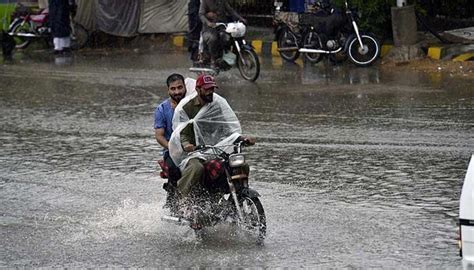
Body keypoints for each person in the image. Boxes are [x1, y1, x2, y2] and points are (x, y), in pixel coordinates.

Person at [168, 74, 255, 211]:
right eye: (207, 89)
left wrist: (241, 138)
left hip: (215, 148)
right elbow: (182, 131)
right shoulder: (186, 107)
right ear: (198, 89)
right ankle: (182, 199)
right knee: (197, 168)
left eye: (212, 89)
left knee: (240, 164)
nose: (210, 92)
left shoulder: (217, 104)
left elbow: (226, 127)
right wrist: (187, 145)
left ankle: (238, 195)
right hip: (193, 152)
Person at [154, 73, 195, 210]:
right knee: (174, 169)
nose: (177, 92)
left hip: (194, 149)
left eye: (179, 87)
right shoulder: (162, 109)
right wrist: (173, 148)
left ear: (185, 87)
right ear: (168, 90)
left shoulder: (192, 104)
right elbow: (159, 136)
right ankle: (173, 199)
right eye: (173, 89)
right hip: (171, 152)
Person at [199, 0, 247, 68]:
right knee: (213, 38)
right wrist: (208, 23)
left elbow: (231, 11)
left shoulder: (222, 1)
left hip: (222, 27)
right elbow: (201, 14)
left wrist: (241, 18)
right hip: (209, 29)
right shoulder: (206, 1)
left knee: (228, 37)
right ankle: (213, 59)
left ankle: (228, 56)